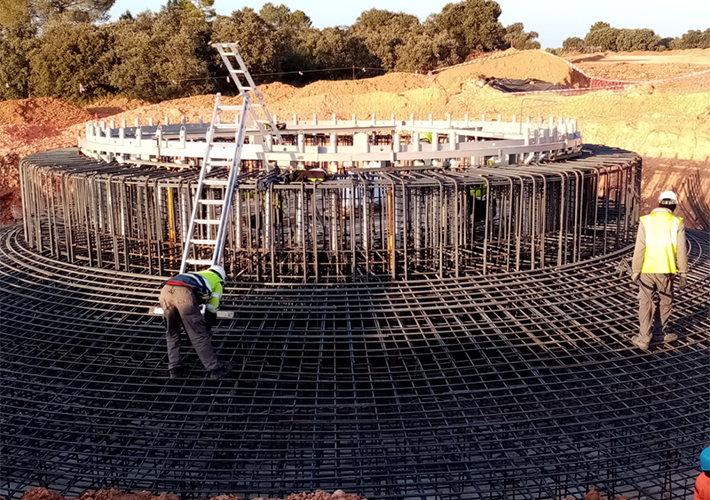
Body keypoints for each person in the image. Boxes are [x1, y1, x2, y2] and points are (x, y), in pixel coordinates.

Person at [630, 190, 687, 349]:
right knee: (665, 301)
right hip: (666, 269)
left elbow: (639, 248)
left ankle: (643, 338)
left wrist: (636, 270)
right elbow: (681, 250)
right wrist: (683, 272)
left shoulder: (646, 221)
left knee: (645, 301)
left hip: (647, 269)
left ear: (659, 203)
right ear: (674, 205)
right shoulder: (676, 222)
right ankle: (660, 333)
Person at [159, 265, 232, 379]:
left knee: (172, 332)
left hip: (165, 290)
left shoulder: (197, 274)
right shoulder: (217, 282)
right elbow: (211, 310)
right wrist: (206, 327)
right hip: (184, 294)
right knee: (199, 335)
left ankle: (174, 367)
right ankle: (214, 368)